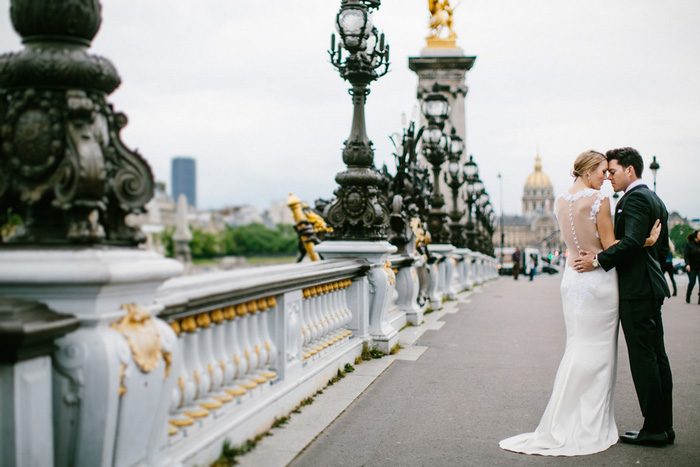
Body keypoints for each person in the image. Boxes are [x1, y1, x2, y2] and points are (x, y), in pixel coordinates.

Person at [500, 150, 659, 456]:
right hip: (597, 280)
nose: (607, 178)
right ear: (588, 172)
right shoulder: (600, 200)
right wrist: (646, 241)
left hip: (571, 279)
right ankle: (588, 420)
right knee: (599, 352)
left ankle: (563, 415)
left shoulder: (559, 201)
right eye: (603, 172)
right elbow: (612, 246)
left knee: (576, 346)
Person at [575, 147, 672, 447]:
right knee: (657, 357)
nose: (609, 178)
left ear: (630, 170)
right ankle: (663, 426)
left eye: (613, 171)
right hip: (650, 287)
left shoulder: (634, 199)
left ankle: (654, 428)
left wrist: (598, 260)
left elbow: (628, 242)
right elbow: (662, 250)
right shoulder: (656, 199)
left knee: (644, 359)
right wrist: (646, 246)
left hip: (637, 290)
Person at [684, 230, 700, 304]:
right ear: (696, 236)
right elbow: (686, 256)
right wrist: (687, 264)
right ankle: (688, 295)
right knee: (692, 282)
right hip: (691, 267)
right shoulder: (689, 244)